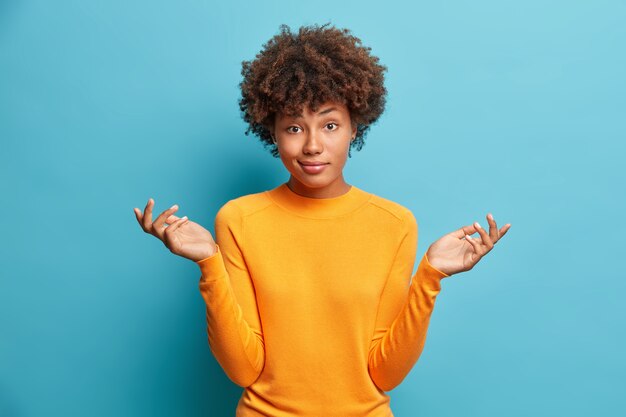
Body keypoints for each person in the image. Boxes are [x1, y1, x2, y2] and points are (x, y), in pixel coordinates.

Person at [134, 23, 510, 417]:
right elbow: (244, 368)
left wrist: (430, 276)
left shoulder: (394, 223)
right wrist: (208, 263)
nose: (312, 145)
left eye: (330, 125)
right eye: (294, 128)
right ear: (273, 133)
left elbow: (385, 374)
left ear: (354, 128)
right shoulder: (239, 219)